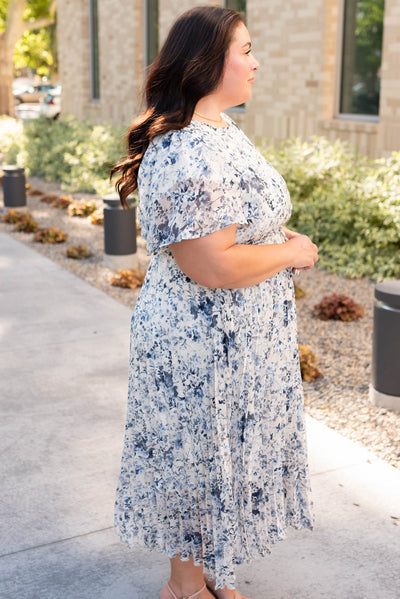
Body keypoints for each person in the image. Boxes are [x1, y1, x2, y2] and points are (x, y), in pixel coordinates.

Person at [110, 6, 318, 599]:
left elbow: (239, 226)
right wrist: (292, 252)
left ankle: (212, 570)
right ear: (206, 62)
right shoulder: (183, 148)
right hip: (199, 339)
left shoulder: (221, 128)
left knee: (224, 451)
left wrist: (276, 242)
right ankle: (183, 586)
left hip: (238, 336)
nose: (257, 62)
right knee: (198, 454)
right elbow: (213, 264)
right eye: (246, 49)